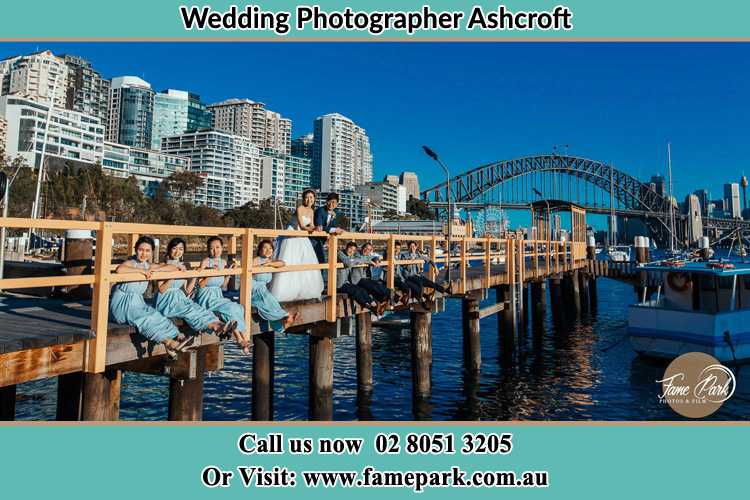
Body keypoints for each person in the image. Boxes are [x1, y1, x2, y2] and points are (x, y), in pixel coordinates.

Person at [110, 235, 190, 359]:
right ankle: (168, 342)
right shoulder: (131, 263)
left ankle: (175, 335)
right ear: (136, 249)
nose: (143, 254)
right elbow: (120, 270)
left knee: (155, 315)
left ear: (152, 252)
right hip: (122, 304)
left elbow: (168, 267)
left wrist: (178, 267)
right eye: (141, 250)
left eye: (147, 251)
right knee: (145, 318)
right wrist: (141, 271)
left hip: (137, 302)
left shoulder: (149, 266)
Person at [155, 237, 237, 339]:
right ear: (169, 250)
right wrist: (174, 275)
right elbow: (161, 289)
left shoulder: (184, 265)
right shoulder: (162, 265)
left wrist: (194, 276)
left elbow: (187, 291)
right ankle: (215, 327)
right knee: (189, 311)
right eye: (174, 248)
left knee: (199, 309)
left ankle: (219, 325)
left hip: (180, 297)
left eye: (181, 249)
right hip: (166, 300)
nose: (177, 252)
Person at [194, 236, 250, 355]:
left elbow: (222, 285)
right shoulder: (205, 262)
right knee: (231, 308)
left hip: (217, 295)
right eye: (212, 248)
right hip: (206, 297)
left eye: (217, 247)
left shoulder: (223, 262)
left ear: (222, 248)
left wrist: (228, 273)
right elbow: (200, 285)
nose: (215, 250)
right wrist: (209, 273)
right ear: (208, 250)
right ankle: (241, 340)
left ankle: (244, 339)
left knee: (238, 308)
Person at [269, 189, 324, 302]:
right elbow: (303, 226)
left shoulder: (311, 211)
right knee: (290, 259)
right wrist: (312, 228)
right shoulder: (300, 208)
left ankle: (303, 289)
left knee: (305, 261)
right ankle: (284, 290)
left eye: (311, 198)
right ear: (303, 198)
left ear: (314, 199)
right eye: (307, 197)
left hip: (303, 236)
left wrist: (317, 228)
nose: (309, 200)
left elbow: (311, 224)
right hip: (293, 234)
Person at [254, 239, 300, 333]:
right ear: (259, 250)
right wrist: (261, 266)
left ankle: (280, 327)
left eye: (270, 248)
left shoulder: (270, 261)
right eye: (265, 247)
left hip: (263, 289)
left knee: (272, 301)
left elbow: (283, 263)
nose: (268, 250)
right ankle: (285, 316)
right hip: (253, 288)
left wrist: (269, 264)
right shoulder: (255, 260)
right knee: (267, 301)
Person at [338, 241, 386, 316]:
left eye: (354, 250)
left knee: (362, 290)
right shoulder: (340, 254)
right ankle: (371, 306)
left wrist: (375, 259)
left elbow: (368, 257)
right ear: (346, 248)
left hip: (347, 282)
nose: (351, 251)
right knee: (356, 291)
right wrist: (363, 261)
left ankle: (374, 306)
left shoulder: (351, 256)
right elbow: (348, 263)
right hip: (339, 284)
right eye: (350, 249)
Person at [401, 241, 452, 305]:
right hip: (410, 276)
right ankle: (422, 300)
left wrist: (435, 267)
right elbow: (402, 267)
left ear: (416, 247)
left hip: (417, 276)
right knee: (420, 284)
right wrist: (410, 261)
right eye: (410, 247)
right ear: (408, 248)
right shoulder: (404, 256)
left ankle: (445, 290)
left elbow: (430, 260)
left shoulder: (418, 255)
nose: (412, 248)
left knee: (430, 283)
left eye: (413, 246)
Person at [382, 241, 420, 305]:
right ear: (392, 248)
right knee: (404, 286)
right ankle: (403, 299)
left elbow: (407, 257)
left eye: (399, 249)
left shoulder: (400, 256)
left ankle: (406, 298)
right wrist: (389, 249)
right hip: (389, 276)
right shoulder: (388, 254)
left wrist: (415, 253)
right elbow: (386, 253)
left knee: (409, 285)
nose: (397, 250)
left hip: (398, 276)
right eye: (396, 248)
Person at [312, 192, 344, 264]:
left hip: (322, 241)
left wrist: (334, 218)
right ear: (326, 201)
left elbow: (336, 227)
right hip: (314, 240)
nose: (330, 204)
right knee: (320, 261)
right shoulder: (320, 211)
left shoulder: (336, 213)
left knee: (321, 261)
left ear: (337, 204)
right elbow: (319, 227)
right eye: (329, 201)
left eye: (333, 202)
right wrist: (334, 230)